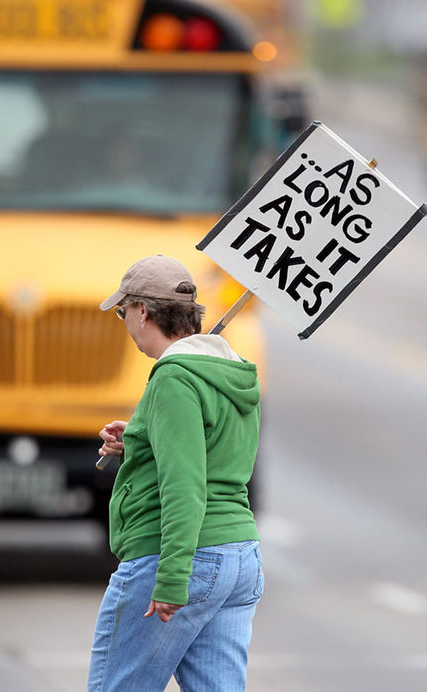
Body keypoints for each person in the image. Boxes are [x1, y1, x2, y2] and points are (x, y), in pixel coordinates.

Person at [88, 255, 264, 692]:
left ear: (143, 311)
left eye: (122, 311)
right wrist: (143, 439)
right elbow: (215, 453)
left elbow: (185, 485)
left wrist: (171, 578)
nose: (125, 322)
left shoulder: (174, 377)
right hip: (239, 555)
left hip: (183, 556)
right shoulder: (231, 370)